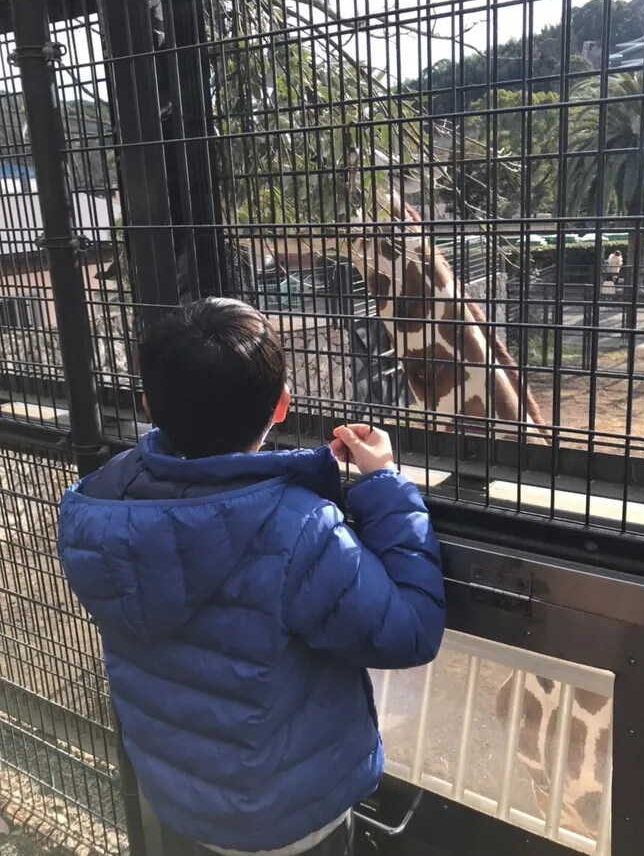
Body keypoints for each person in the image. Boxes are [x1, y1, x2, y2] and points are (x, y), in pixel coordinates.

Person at [57, 297, 445, 856]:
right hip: (288, 820)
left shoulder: (98, 500)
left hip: (180, 797)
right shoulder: (299, 529)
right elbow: (410, 629)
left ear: (148, 403)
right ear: (282, 404)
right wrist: (384, 483)